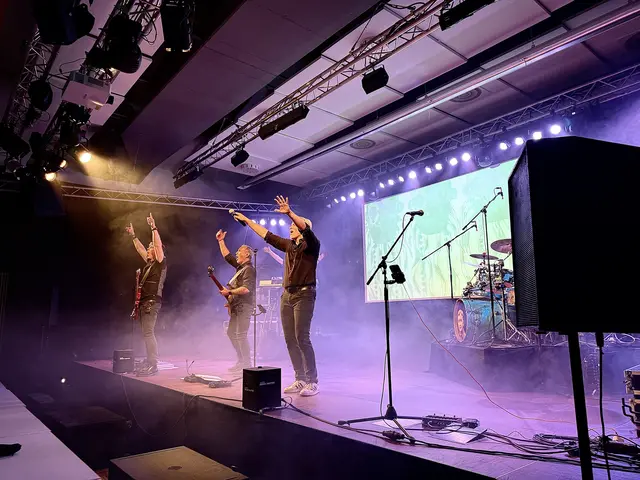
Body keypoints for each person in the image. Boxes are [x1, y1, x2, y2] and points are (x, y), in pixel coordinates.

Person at [232, 196, 320, 397]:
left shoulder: (312, 245)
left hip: (304, 295)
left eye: (294, 225)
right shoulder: (289, 245)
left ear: (304, 228)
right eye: (290, 224)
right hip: (287, 295)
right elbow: (267, 235)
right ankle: (300, 378)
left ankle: (312, 381)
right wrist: (247, 221)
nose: (290, 227)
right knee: (289, 339)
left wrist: (290, 212)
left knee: (302, 337)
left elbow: (304, 228)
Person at [125, 213, 167, 377]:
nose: (148, 250)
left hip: (151, 302)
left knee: (148, 333)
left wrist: (153, 227)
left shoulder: (160, 263)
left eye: (151, 248)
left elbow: (157, 245)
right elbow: (140, 249)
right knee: (146, 333)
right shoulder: (149, 264)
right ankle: (149, 360)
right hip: (144, 303)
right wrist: (133, 236)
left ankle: (153, 364)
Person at [215, 229, 256, 372]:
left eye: (239, 251)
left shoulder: (249, 269)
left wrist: (230, 292)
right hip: (236, 306)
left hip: (244, 306)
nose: (237, 253)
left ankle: (246, 363)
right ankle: (241, 360)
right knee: (231, 333)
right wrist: (221, 241)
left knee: (241, 335)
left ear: (247, 254)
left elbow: (246, 289)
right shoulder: (240, 268)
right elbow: (228, 257)